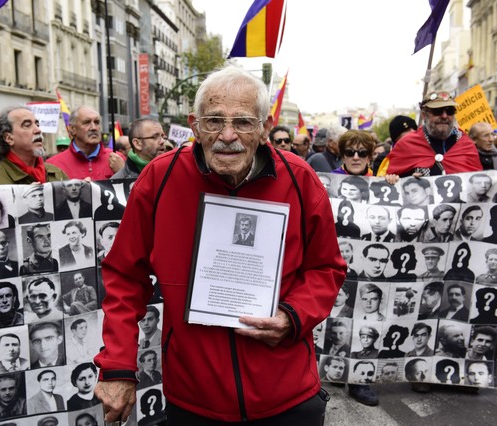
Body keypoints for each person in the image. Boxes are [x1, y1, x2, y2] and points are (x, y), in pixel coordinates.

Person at [93, 65, 344, 424]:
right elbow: (124, 276)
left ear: (265, 128)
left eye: (243, 122)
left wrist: (293, 316)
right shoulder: (160, 179)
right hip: (194, 399)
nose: (228, 135)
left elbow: (326, 268)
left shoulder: (300, 179)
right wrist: (117, 367)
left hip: (286, 395)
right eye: (213, 121)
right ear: (194, 125)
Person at [384, 91, 482, 178]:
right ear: (424, 115)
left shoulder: (466, 145)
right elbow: (392, 186)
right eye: (437, 111)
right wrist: (408, 179)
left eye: (450, 111)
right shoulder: (406, 144)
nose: (444, 116)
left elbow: (478, 182)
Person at [0, 106, 68, 189]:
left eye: (37, 124)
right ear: (8, 138)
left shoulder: (58, 174)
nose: (38, 130)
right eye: (27, 125)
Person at [47, 106, 122, 180]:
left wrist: (123, 172)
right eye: (87, 122)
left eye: (97, 122)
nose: (94, 127)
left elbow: (132, 190)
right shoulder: (53, 165)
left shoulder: (118, 159)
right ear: (72, 129)